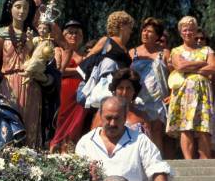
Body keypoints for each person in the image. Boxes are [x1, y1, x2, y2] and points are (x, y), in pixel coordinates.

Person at [76, 96, 170, 181]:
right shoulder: (86, 142)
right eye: (109, 118)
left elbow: (158, 170)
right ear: (100, 115)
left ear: (125, 117)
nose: (113, 123)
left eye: (117, 118)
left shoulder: (140, 140)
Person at [0, 0, 44, 148]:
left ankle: (30, 163)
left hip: (31, 85)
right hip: (8, 84)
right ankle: (6, 163)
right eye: (18, 7)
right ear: (10, 9)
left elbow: (43, 61)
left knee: (30, 124)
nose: (22, 11)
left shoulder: (35, 36)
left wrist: (32, 48)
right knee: (8, 123)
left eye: (26, 8)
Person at [166, 16, 215, 159]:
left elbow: (212, 67)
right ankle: (188, 161)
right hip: (183, 93)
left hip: (203, 92)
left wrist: (189, 68)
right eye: (185, 29)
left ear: (195, 31)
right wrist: (201, 63)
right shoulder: (176, 51)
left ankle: (205, 161)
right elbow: (179, 66)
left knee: (204, 127)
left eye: (191, 29)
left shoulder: (207, 49)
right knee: (185, 126)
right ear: (181, 32)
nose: (188, 32)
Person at [130, 17, 170, 154]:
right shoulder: (132, 52)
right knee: (141, 129)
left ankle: (158, 163)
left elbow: (173, 75)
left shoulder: (164, 53)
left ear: (158, 36)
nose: (145, 34)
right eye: (144, 30)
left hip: (158, 98)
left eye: (150, 32)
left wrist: (172, 94)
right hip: (138, 98)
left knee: (157, 131)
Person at [50, 20, 87, 152]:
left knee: (77, 122)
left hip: (81, 92)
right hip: (64, 89)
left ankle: (70, 150)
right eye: (70, 33)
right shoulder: (59, 50)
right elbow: (58, 70)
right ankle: (55, 147)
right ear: (64, 36)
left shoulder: (85, 54)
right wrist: (78, 71)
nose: (73, 36)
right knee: (62, 119)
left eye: (77, 33)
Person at [91, 68, 150, 134]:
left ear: (134, 91)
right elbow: (92, 138)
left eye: (128, 88)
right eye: (121, 88)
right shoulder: (103, 113)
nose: (124, 93)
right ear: (115, 90)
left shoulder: (142, 116)